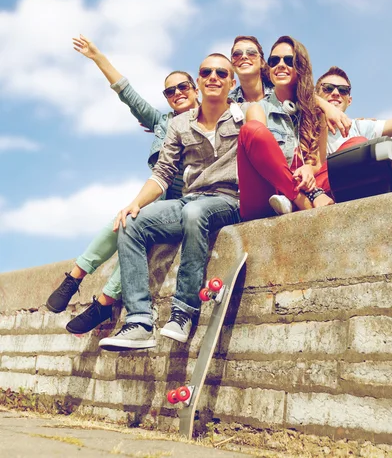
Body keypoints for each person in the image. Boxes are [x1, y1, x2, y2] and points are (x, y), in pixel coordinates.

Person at [46, 35, 199, 334]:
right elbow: (126, 92)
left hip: (186, 204)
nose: (177, 93)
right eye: (170, 90)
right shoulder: (162, 122)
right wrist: (96, 56)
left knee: (134, 230)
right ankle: (75, 278)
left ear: (196, 89)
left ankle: (103, 303)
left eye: (183, 86)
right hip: (157, 199)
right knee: (122, 220)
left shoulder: (212, 119)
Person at [98, 53, 243, 350]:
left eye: (221, 72)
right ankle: (139, 321)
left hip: (229, 200)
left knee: (194, 213)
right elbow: (163, 173)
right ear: (198, 82)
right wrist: (135, 203)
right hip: (191, 199)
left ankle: (184, 311)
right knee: (132, 222)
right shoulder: (180, 125)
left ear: (232, 82)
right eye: (206, 72)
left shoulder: (246, 114)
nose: (213, 76)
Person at [237, 35, 333, 221]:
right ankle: (301, 201)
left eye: (289, 61)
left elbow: (318, 163)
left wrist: (307, 169)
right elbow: (263, 163)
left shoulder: (317, 112)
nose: (280, 65)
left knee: (355, 145)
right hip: (267, 194)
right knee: (252, 130)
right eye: (274, 61)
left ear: (301, 67)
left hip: (305, 186)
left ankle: (294, 201)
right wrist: (308, 193)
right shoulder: (258, 108)